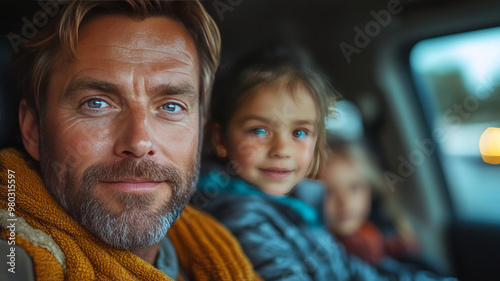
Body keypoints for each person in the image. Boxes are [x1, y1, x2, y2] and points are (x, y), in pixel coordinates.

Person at [0, 1, 261, 280]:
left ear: (202, 128)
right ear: (32, 129)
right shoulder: (14, 262)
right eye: (96, 103)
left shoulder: (222, 252)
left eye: (171, 106)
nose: (139, 142)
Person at [193, 47, 458, 280]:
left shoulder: (297, 206)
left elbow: (353, 271)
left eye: (299, 133)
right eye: (259, 131)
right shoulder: (242, 216)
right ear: (221, 139)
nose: (282, 150)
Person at [321, 139, 421, 266]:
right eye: (329, 191)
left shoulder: (376, 235)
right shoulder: (322, 252)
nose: (345, 202)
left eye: (355, 187)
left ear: (370, 189)